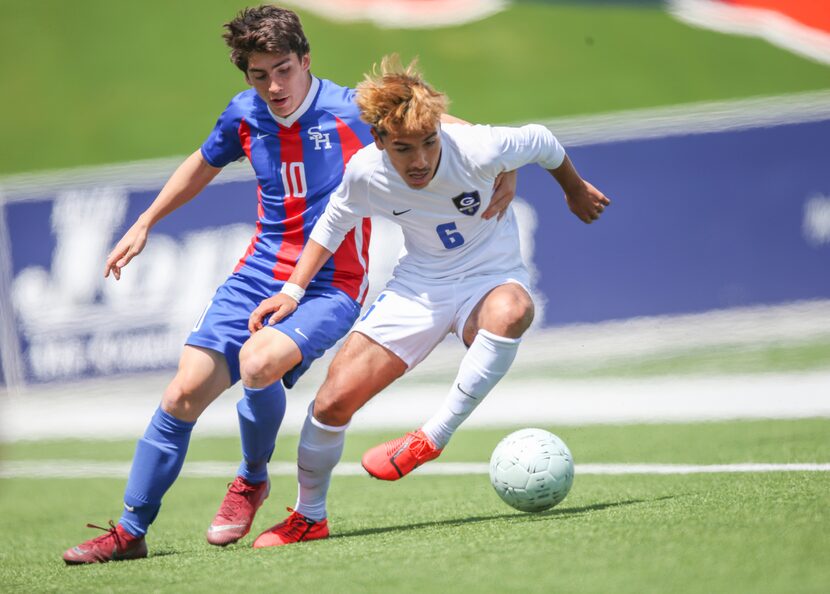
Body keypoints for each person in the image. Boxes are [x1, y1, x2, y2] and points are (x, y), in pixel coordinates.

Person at [61, 6, 517, 565]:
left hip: (332, 283)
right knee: (182, 393)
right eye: (259, 75)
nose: (274, 86)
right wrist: (144, 222)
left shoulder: (351, 107)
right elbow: (201, 164)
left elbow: (454, 132)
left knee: (258, 363)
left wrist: (506, 165)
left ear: (305, 60)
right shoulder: (243, 115)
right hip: (257, 273)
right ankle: (129, 533)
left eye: (283, 69)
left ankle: (251, 479)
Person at [247, 54, 610, 548]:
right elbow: (332, 225)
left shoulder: (479, 147)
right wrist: (291, 292)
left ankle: (432, 437)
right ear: (379, 141)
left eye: (428, 142)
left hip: (488, 276)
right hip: (418, 288)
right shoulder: (365, 172)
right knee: (331, 404)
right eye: (403, 148)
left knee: (514, 310)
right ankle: (309, 516)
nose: (419, 160)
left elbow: (543, 141)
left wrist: (572, 190)